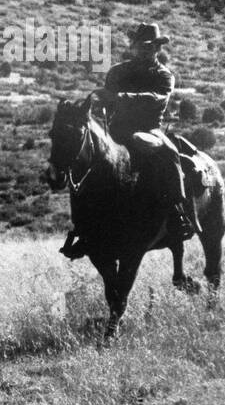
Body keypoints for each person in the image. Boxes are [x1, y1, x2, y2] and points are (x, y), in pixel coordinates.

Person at [60, 22, 195, 259]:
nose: (145, 50)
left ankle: (177, 211)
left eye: (150, 46)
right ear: (132, 46)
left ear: (156, 48)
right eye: (140, 45)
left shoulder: (164, 75)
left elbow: (156, 99)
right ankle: (83, 227)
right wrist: (99, 99)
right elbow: (107, 96)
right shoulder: (117, 72)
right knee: (87, 163)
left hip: (149, 129)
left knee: (170, 152)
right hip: (116, 130)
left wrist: (119, 97)